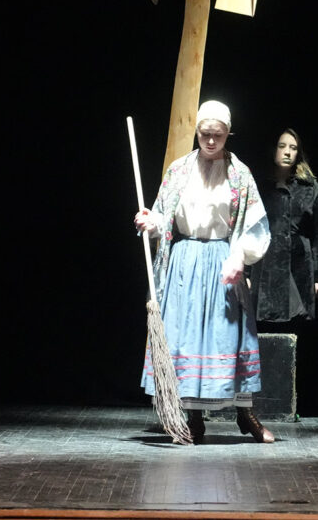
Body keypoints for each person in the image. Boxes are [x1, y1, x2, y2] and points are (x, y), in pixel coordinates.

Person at [134, 101, 273, 442]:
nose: (211, 141)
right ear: (197, 132)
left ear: (228, 134)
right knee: (188, 337)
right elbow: (164, 215)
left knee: (231, 336)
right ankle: (193, 418)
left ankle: (245, 414)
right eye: (205, 134)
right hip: (186, 262)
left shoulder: (239, 174)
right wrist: (150, 221)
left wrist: (239, 256)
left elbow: (255, 224)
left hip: (223, 260)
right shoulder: (179, 170)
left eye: (218, 135)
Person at [249, 128, 318, 324]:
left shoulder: (311, 189)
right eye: (282, 146)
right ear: (273, 149)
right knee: (261, 324)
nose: (287, 152)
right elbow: (247, 229)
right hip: (264, 265)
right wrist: (245, 272)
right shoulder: (257, 185)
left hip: (298, 266)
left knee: (295, 324)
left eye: (293, 148)